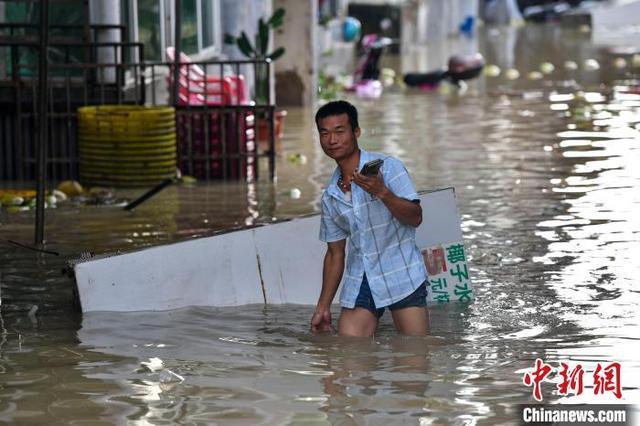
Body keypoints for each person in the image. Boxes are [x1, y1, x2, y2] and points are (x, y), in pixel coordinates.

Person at [310, 100, 429, 337]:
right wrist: (323, 307)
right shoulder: (331, 195)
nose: (332, 140)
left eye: (339, 131)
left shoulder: (389, 167)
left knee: (415, 362)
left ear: (356, 132)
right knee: (350, 361)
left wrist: (382, 192)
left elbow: (416, 217)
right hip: (361, 279)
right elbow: (335, 254)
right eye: (325, 133)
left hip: (402, 273)